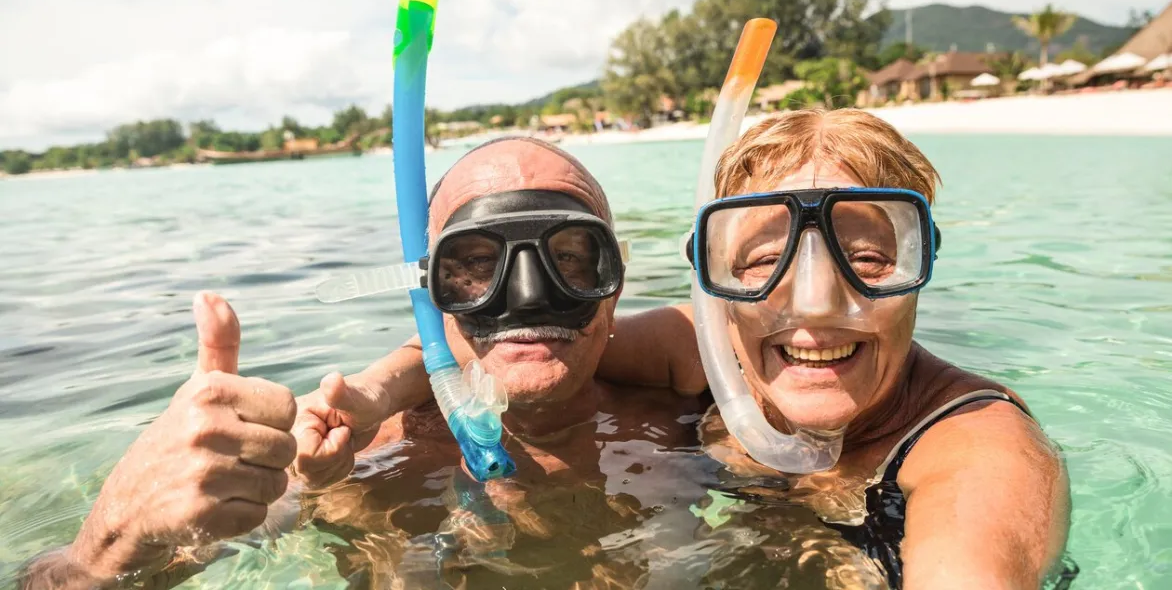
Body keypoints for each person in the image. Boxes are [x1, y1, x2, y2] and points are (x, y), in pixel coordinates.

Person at [17, 137, 727, 590]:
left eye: (572, 260)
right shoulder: (358, 457)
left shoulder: (697, 412)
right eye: (475, 266)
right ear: (430, 292)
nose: (530, 296)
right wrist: (109, 546)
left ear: (615, 286)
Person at [596, 107, 1076, 590]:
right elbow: (546, 363)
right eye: (766, 260)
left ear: (921, 260)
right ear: (715, 279)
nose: (815, 304)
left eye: (866, 259)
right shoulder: (701, 346)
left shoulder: (980, 446)